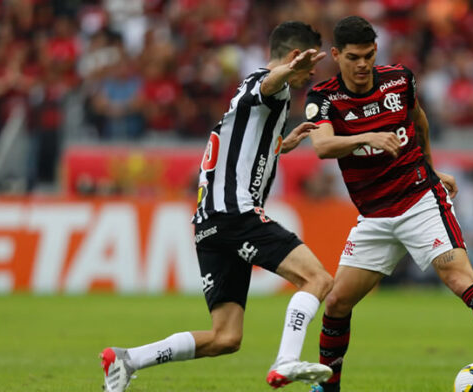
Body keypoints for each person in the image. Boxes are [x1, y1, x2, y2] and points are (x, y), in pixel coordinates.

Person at [304, 16, 473, 392]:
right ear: (336, 55)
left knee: (458, 275)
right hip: (375, 216)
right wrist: (371, 137)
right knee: (335, 303)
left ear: (376, 51)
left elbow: (420, 120)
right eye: (352, 57)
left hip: (419, 200)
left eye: (367, 55)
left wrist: (430, 167)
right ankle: (329, 387)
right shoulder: (324, 97)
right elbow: (321, 146)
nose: (362, 64)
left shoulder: (400, 79)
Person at [100, 21, 334, 392]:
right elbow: (271, 83)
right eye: (308, 66)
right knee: (318, 279)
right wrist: (286, 72)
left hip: (210, 225)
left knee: (225, 337)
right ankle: (286, 360)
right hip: (234, 214)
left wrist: (279, 144)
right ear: (294, 57)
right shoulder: (266, 82)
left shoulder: (251, 98)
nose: (310, 75)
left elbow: (240, 142)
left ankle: (128, 359)